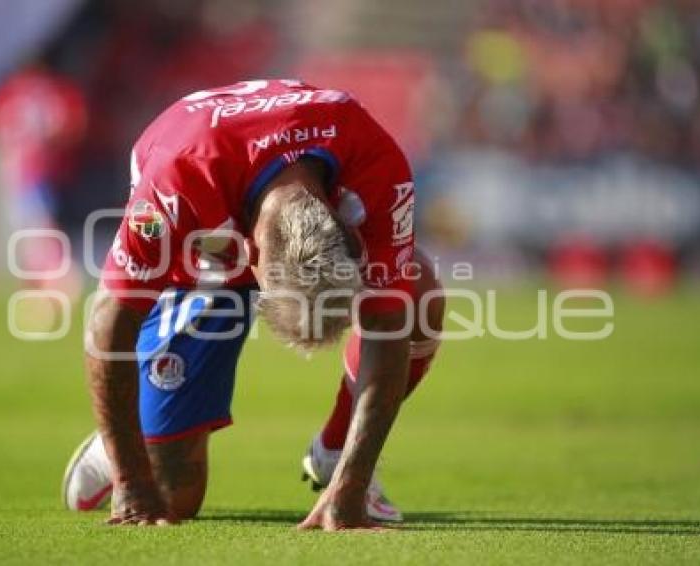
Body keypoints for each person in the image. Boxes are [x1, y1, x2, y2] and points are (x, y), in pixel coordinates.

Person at [61, 79, 444, 530]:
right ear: (251, 257)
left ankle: (336, 452)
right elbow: (109, 323)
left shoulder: (373, 157)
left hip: (249, 200)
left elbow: (388, 322)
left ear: (349, 232)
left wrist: (352, 485)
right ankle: (122, 443)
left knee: (415, 289)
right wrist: (130, 483)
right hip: (199, 266)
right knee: (171, 498)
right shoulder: (177, 179)